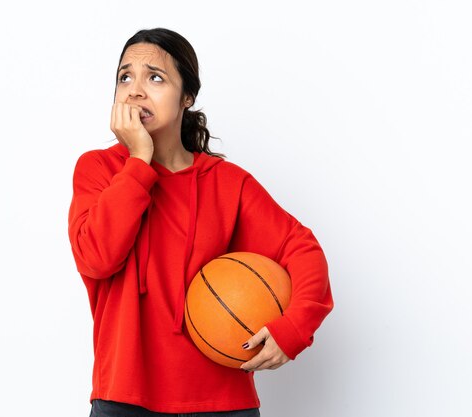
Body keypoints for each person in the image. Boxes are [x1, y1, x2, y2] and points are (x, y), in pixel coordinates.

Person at [68, 27, 334, 416]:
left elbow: (301, 249)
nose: (135, 89)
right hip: (124, 398)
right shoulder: (99, 169)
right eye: (125, 77)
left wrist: (293, 329)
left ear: (187, 97)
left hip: (223, 402)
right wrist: (139, 161)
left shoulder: (228, 183)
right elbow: (97, 257)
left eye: (155, 77)